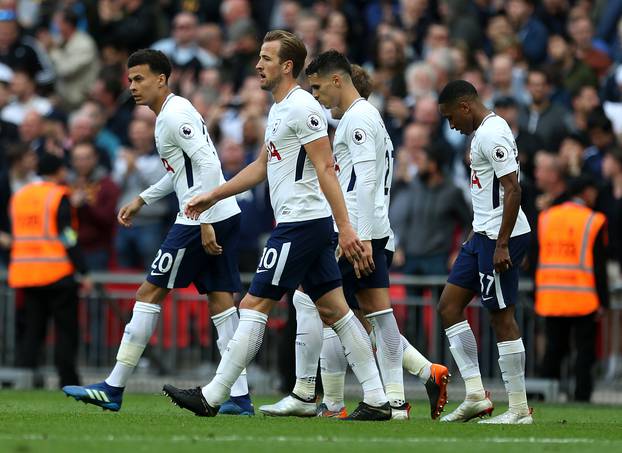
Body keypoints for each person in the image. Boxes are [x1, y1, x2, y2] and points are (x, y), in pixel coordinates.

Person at [164, 30, 391, 421]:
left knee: (254, 304)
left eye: (266, 58)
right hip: (305, 223)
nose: (258, 65)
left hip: (301, 223)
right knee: (336, 310)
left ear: (287, 66)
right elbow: (261, 167)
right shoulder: (281, 108)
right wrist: (214, 195)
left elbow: (325, 167)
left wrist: (347, 227)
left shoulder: (303, 107)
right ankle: (377, 398)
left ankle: (214, 395)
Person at [62, 49, 253, 416]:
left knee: (149, 291)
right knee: (221, 304)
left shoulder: (174, 115)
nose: (132, 86)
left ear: (161, 79)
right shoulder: (173, 112)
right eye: (130, 80)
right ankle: (240, 397)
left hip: (201, 217)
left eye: (140, 79)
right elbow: (182, 171)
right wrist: (142, 199)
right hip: (222, 213)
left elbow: (208, 165)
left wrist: (204, 218)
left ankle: (113, 386)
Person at [259, 57, 450, 420]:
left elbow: (363, 181)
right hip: (373, 230)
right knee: (372, 316)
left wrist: (355, 236)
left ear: (337, 81)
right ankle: (398, 396)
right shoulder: (364, 118)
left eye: (317, 88)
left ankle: (322, 399)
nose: (315, 96)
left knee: (317, 305)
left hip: (354, 232)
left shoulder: (358, 119)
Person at [437, 80, 533, 424]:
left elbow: (513, 190)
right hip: (482, 235)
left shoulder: (492, 133)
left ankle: (520, 409)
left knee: (500, 317)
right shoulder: (484, 132)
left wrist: (502, 243)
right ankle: (476, 395)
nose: (451, 126)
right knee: (448, 306)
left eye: (451, 117)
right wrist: (476, 236)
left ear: (465, 106)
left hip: (499, 238)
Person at [8, 152, 91, 387]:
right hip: (57, 274)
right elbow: (67, 235)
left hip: (26, 274)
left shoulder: (20, 196)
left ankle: (24, 377)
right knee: (65, 330)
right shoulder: (58, 196)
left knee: (32, 331)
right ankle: (68, 378)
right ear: (60, 172)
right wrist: (82, 269)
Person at [535, 174, 609, 402]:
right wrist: (603, 301)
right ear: (586, 192)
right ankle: (582, 396)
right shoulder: (593, 220)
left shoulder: (546, 217)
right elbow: (599, 265)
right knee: (584, 352)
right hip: (583, 298)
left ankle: (545, 395)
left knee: (553, 350)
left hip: (550, 295)